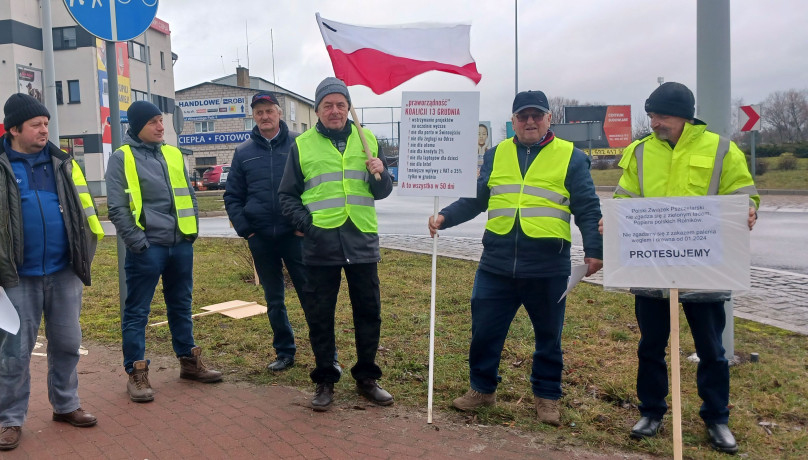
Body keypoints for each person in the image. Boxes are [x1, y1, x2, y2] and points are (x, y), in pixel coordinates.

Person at [427, 90, 603, 426]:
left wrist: (595, 250)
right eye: (523, 116)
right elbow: (477, 198)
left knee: (549, 337)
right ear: (514, 121)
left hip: (548, 266)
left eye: (537, 115)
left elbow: (587, 206)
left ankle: (547, 396)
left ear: (549, 119)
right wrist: (445, 216)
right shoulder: (496, 155)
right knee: (484, 332)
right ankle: (482, 389)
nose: (530, 121)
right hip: (496, 263)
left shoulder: (571, 157)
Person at [607, 82, 758, 453]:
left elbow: (742, 194)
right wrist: (614, 221)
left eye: (663, 116)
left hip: (704, 268)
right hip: (653, 268)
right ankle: (652, 412)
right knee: (651, 346)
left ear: (685, 116)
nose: (655, 122)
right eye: (652, 115)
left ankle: (717, 418)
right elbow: (625, 198)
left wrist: (750, 210)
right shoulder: (640, 152)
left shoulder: (722, 149)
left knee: (711, 349)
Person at [0, 93, 105, 451]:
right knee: (14, 352)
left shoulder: (63, 163)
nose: (44, 131)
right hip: (14, 278)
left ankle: (66, 404)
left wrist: (83, 255)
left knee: (69, 343)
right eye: (36, 125)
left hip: (64, 272)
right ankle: (10, 420)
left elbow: (82, 211)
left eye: (46, 125)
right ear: (14, 129)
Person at [278, 77, 394, 411]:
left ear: (348, 108)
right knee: (320, 314)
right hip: (321, 242)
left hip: (361, 240)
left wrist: (381, 173)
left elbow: (382, 191)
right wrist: (306, 225)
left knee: (369, 312)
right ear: (317, 110)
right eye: (327, 105)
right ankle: (325, 378)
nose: (335, 111)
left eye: (340, 104)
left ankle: (367, 378)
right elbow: (287, 195)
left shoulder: (367, 138)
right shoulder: (302, 145)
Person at [107, 100, 222, 404]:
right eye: (153, 123)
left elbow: (189, 195)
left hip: (180, 245)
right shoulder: (122, 158)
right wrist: (139, 243)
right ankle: (136, 372)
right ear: (137, 127)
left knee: (181, 305)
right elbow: (117, 208)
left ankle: (188, 362)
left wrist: (191, 230)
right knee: (137, 312)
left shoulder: (172, 154)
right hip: (148, 248)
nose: (160, 127)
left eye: (161, 120)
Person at [224, 92, 309, 372]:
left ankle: (324, 353)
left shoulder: (300, 144)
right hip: (260, 238)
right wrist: (247, 230)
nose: (265, 116)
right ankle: (285, 352)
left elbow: (313, 189)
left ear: (279, 113)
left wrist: (303, 226)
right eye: (259, 112)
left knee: (311, 295)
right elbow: (232, 196)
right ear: (254, 116)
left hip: (294, 236)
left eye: (269, 111)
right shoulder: (244, 152)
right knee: (274, 300)